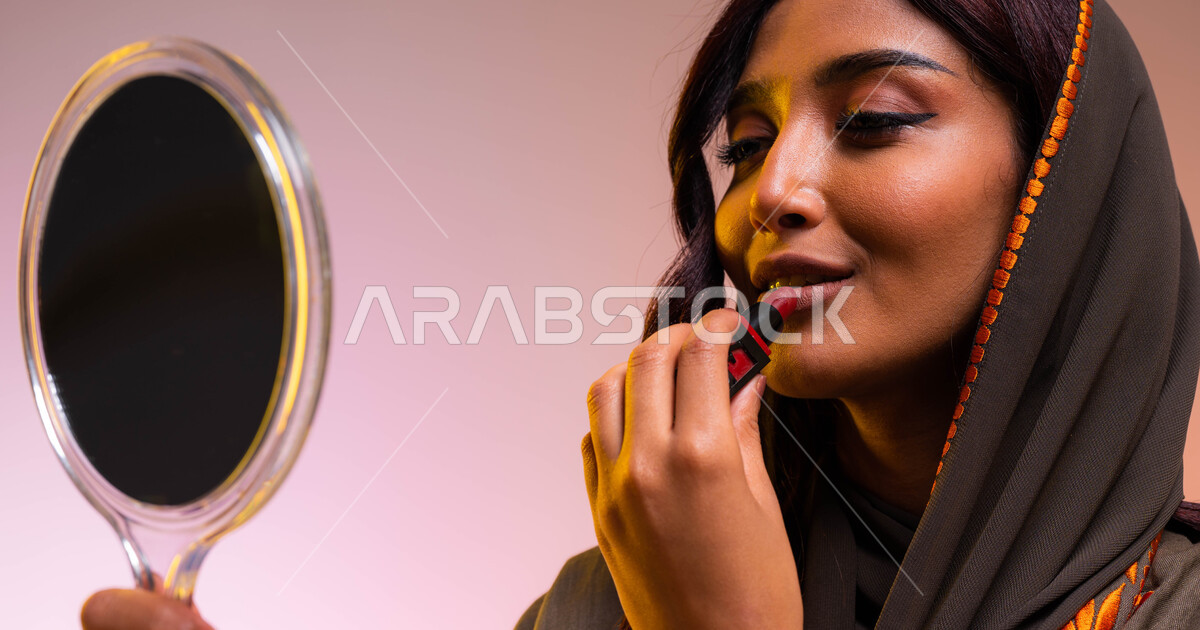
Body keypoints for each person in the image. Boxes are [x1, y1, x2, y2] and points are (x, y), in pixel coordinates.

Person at [515, 0, 1200, 628]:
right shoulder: (601, 607)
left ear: (1065, 182)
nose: (771, 191)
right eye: (748, 146)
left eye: (874, 121)